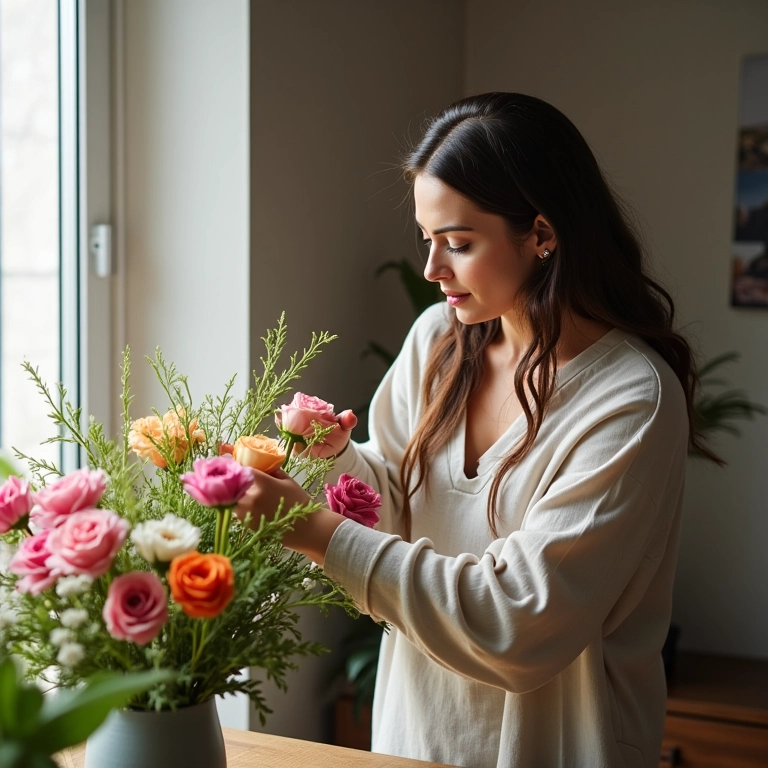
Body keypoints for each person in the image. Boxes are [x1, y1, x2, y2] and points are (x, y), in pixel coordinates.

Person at [235, 92, 717, 768]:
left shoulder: (630, 399)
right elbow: (397, 507)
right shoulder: (437, 339)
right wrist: (334, 460)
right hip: (415, 735)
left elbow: (518, 622)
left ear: (542, 234)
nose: (432, 270)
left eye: (458, 244)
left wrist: (317, 531)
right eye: (427, 240)